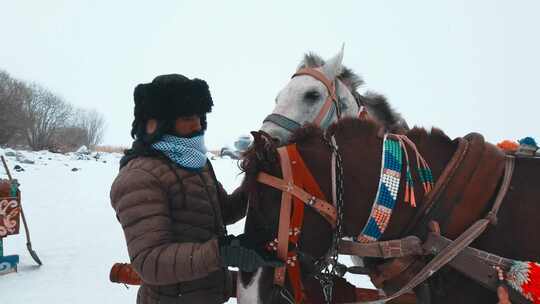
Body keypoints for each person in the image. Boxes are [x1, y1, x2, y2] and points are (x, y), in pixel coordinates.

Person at [110, 74, 281, 304]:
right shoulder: (138, 177)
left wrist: (254, 176)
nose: (198, 124)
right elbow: (150, 262)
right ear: (156, 123)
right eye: (188, 116)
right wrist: (222, 252)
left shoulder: (196, 164)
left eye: (201, 116)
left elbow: (227, 211)